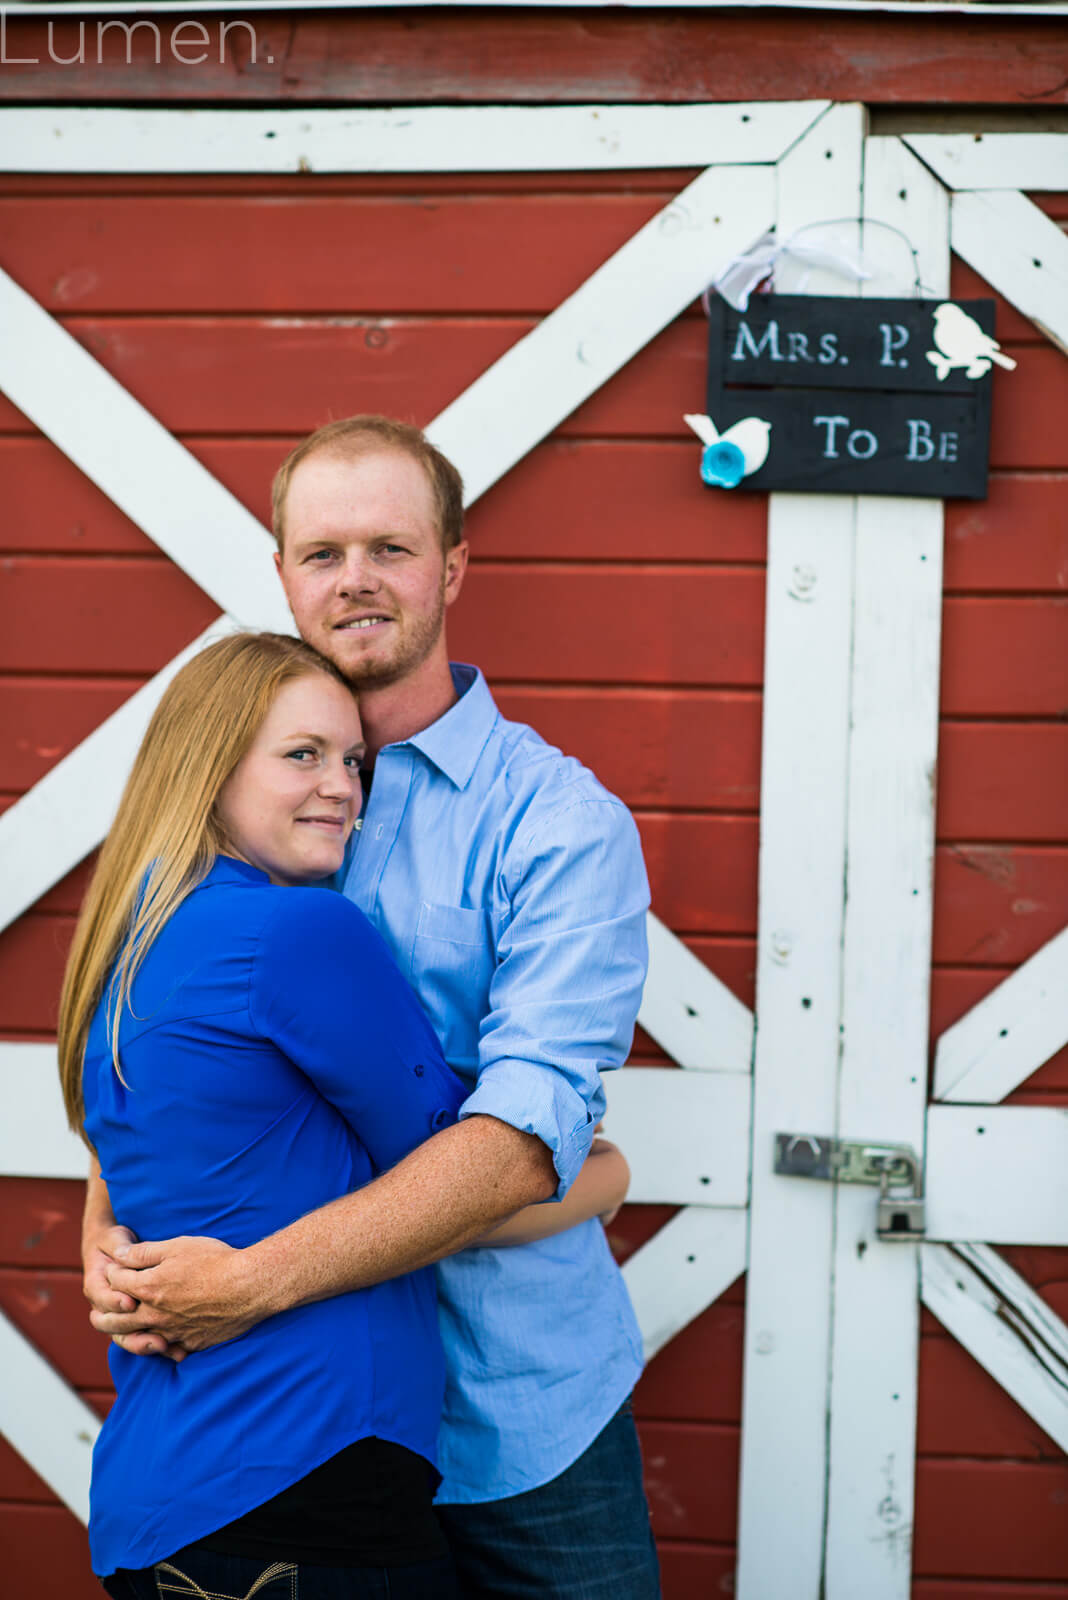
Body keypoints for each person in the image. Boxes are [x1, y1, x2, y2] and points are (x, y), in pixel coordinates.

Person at [84, 416, 662, 1598]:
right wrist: (110, 1225)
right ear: (284, 571)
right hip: (295, 1418)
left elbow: (516, 1143)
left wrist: (245, 1279)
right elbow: (160, 1056)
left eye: (391, 548)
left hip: (518, 1404)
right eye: (322, 552)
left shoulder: (558, 824)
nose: (355, 580)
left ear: (451, 566)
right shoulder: (226, 810)